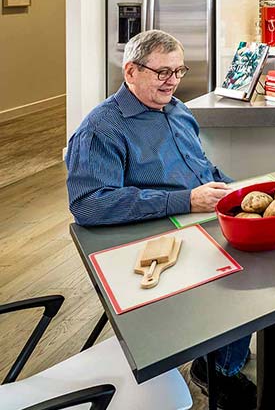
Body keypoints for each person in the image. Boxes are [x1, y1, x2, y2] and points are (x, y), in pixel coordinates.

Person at [65, 30, 255, 410]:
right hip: (156, 237)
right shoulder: (102, 127)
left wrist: (240, 194)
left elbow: (204, 169)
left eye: (178, 71)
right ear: (131, 70)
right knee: (246, 275)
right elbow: (89, 204)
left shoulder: (178, 110)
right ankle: (217, 369)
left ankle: (221, 350)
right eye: (162, 72)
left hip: (198, 216)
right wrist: (184, 200)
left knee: (266, 255)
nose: (172, 81)